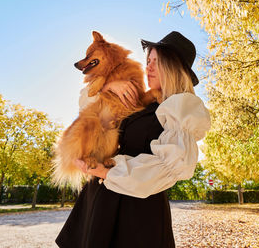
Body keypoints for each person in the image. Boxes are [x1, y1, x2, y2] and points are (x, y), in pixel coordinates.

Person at [55, 31, 211, 248]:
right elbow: (89, 110)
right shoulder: (138, 101)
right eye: (148, 60)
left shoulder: (179, 109)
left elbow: (169, 166)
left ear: (173, 68)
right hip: (101, 201)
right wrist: (108, 86)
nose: (149, 67)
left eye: (157, 61)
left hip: (136, 213)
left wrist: (106, 171)